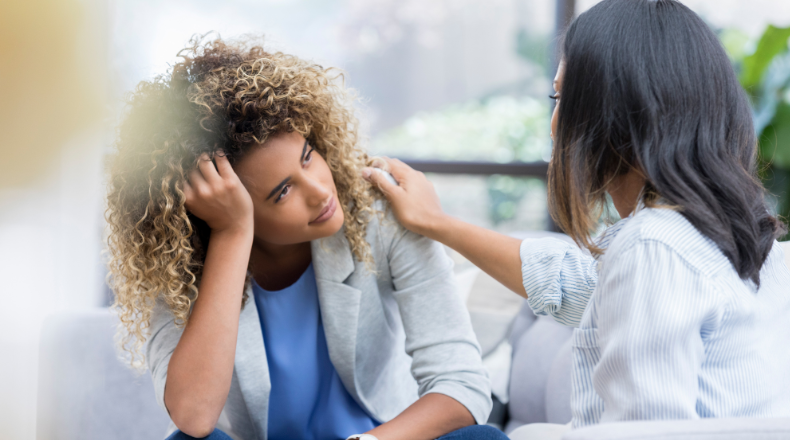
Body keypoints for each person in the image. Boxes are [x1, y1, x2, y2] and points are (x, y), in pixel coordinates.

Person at [363, 1, 790, 439]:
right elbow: (575, 284)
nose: (554, 125)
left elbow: (643, 434)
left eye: (561, 97)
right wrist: (437, 223)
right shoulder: (750, 247)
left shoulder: (654, 248)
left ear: (615, 109)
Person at [105, 36, 508, 440]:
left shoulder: (380, 216)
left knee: (482, 439)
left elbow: (461, 386)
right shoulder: (178, 265)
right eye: (282, 191)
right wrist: (232, 234)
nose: (319, 190)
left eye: (308, 155)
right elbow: (193, 416)